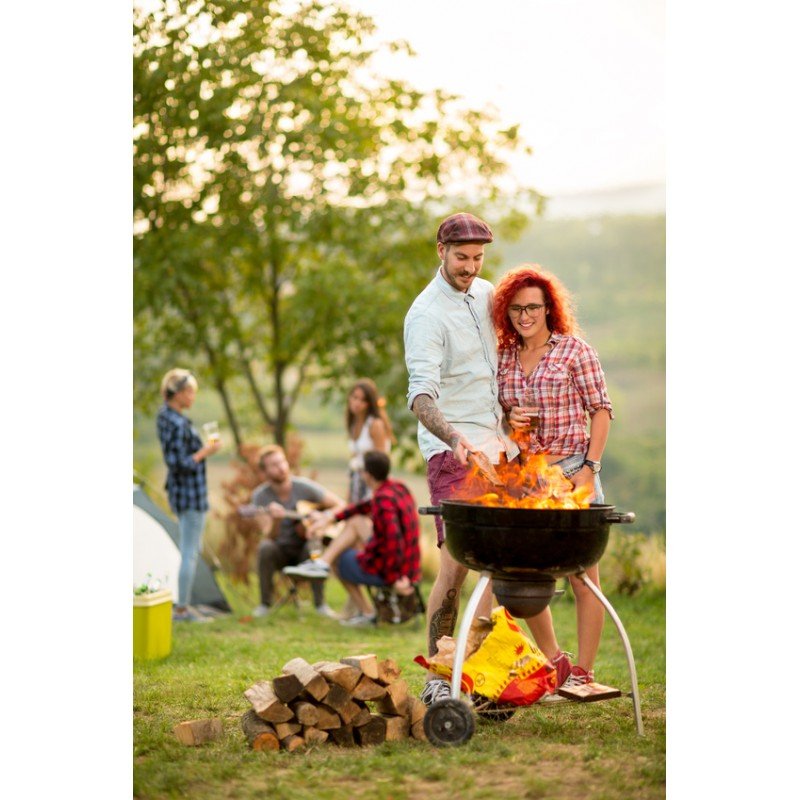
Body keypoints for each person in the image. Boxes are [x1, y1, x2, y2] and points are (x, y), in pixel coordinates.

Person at [403, 212, 519, 705]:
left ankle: (476, 671)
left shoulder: (487, 293)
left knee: (497, 564)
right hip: (453, 453)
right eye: (461, 258)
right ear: (441, 252)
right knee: (456, 566)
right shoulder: (426, 315)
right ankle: (437, 676)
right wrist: (454, 439)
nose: (470, 267)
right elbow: (420, 396)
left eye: (477, 258)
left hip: (498, 446)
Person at [493, 264, 614, 690]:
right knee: (524, 573)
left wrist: (590, 469)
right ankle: (554, 659)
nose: (524, 316)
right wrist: (509, 419)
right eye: (516, 309)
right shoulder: (504, 357)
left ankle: (584, 671)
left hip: (572, 471)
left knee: (583, 577)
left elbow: (601, 410)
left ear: (549, 308)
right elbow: (500, 416)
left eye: (532, 307)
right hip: (526, 476)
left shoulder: (574, 351)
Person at [284, 450, 422, 627]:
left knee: (339, 561)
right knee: (356, 521)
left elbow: (394, 541)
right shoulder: (398, 487)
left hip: (396, 571)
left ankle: (367, 613)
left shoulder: (383, 501)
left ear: (368, 475)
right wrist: (331, 518)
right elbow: (362, 507)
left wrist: (395, 578)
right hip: (409, 564)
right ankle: (322, 563)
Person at [156, 369, 222, 622]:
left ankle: (186, 604)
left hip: (187, 492)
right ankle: (182, 609)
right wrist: (206, 451)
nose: (193, 397)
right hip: (188, 495)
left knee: (192, 549)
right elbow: (178, 463)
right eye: (191, 392)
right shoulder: (174, 422)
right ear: (179, 393)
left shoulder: (171, 418)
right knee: (190, 552)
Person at [250, 445, 345, 619]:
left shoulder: (304, 487)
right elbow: (269, 536)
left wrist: (323, 517)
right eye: (274, 465)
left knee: (314, 544)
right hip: (280, 550)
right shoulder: (260, 497)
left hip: (304, 550)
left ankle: (321, 605)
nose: (281, 467)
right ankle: (264, 605)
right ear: (264, 472)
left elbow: (341, 505)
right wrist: (276, 520)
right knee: (265, 547)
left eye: (282, 462)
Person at [345, 378, 395, 503]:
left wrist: (376, 492)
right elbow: (355, 458)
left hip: (372, 481)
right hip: (356, 478)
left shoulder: (375, 424)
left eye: (363, 400)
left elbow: (381, 461)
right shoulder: (354, 424)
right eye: (355, 397)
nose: (357, 403)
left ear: (369, 403)